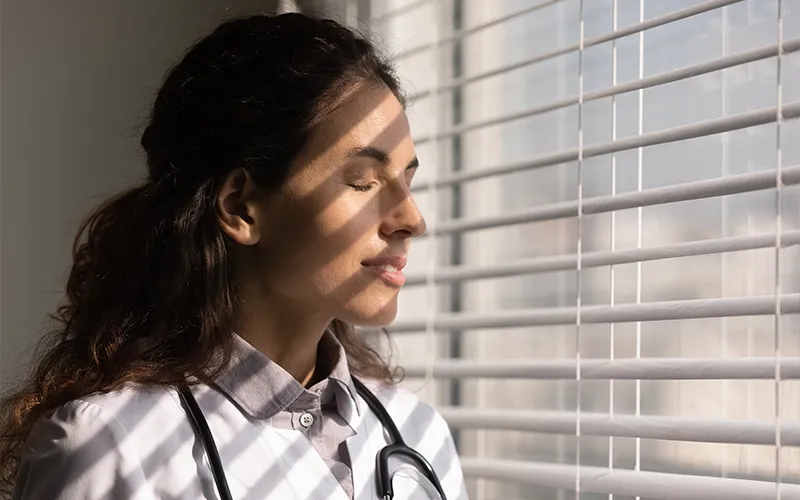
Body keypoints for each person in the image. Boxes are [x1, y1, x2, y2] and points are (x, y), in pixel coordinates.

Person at [0, 12, 468, 500]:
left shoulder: (420, 437)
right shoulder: (109, 450)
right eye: (363, 182)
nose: (412, 219)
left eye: (406, 183)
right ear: (241, 207)